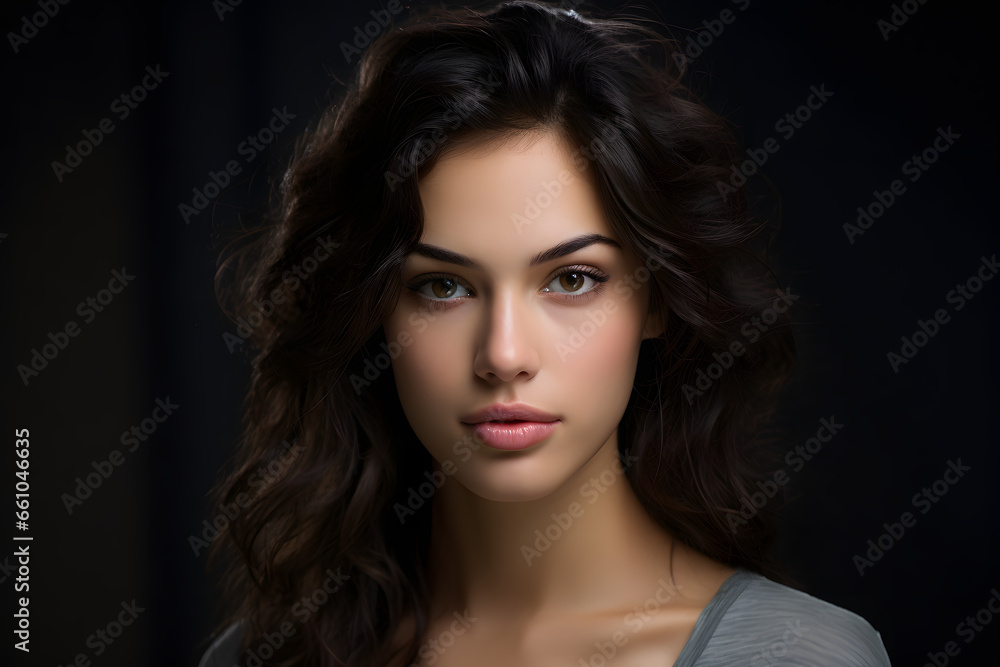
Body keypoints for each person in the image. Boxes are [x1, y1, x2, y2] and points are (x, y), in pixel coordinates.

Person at [200, 1, 891, 665]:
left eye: (571, 279)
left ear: (656, 299)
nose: (504, 355)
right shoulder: (264, 655)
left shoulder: (792, 654)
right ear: (373, 314)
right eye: (443, 285)